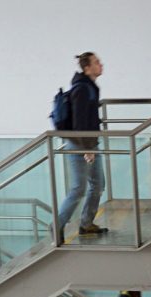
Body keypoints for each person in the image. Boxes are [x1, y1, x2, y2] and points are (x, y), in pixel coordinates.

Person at [56, 52, 108, 242]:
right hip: (80, 145)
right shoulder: (82, 90)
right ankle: (57, 225)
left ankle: (86, 224)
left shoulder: (90, 87)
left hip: (90, 143)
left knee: (98, 185)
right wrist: (87, 149)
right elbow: (79, 124)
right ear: (87, 68)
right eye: (96, 62)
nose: (101, 64)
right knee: (78, 189)